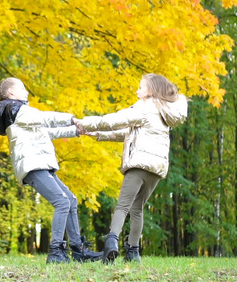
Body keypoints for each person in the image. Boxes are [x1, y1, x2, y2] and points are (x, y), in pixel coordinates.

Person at [74, 74, 188, 263]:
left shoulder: (144, 107)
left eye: (140, 87)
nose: (137, 91)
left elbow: (115, 120)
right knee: (138, 208)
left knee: (122, 206)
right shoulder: (163, 111)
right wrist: (94, 133)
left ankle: (111, 242)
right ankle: (133, 252)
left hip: (139, 164)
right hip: (156, 170)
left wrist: (84, 122)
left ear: (150, 90)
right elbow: (125, 133)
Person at [0, 77, 102, 264]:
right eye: (22, 88)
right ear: (11, 93)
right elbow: (45, 119)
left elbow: (47, 132)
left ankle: (78, 251)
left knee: (70, 200)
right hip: (33, 165)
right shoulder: (15, 109)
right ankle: (56, 252)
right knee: (62, 202)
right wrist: (71, 119)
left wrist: (76, 131)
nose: (26, 92)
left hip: (40, 163)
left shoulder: (21, 116)